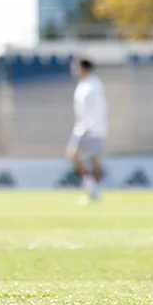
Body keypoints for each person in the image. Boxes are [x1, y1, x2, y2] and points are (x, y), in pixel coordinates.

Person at [68, 59, 107, 202]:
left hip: (93, 129)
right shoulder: (83, 85)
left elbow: (98, 109)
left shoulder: (94, 86)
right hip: (81, 128)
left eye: (76, 68)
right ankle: (91, 186)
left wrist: (91, 127)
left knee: (94, 159)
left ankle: (96, 190)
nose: (74, 71)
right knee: (73, 155)